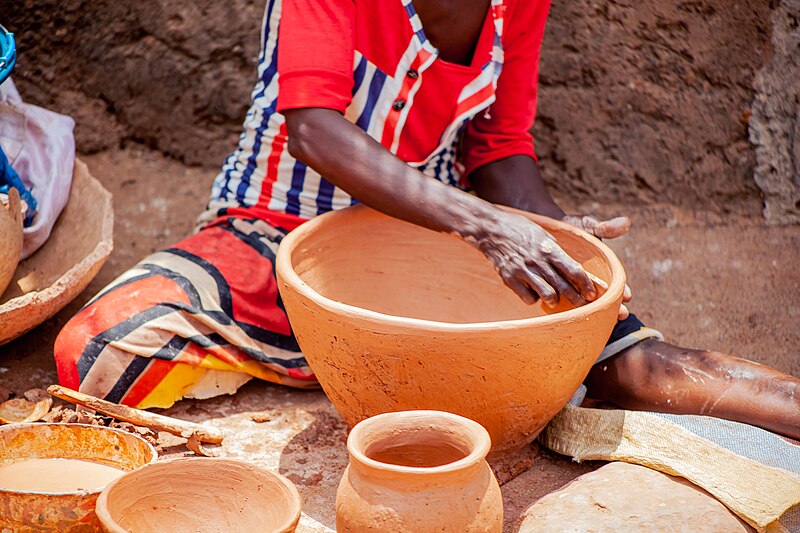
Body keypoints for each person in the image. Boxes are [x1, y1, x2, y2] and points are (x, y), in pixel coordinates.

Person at [54, 0, 799, 439]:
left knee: (635, 364)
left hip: (432, 258)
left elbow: (500, 148)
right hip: (271, 241)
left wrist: (559, 241)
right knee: (98, 351)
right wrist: (487, 225)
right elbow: (314, 128)